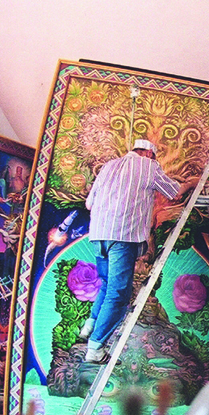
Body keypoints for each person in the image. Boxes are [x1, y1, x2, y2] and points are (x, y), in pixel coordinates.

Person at [77, 138, 185, 363]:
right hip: (123, 236)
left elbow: (89, 204)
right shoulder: (149, 166)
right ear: (149, 154)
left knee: (107, 284)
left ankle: (90, 325)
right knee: (118, 294)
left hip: (99, 235)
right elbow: (174, 192)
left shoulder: (109, 166)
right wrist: (192, 182)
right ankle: (95, 348)